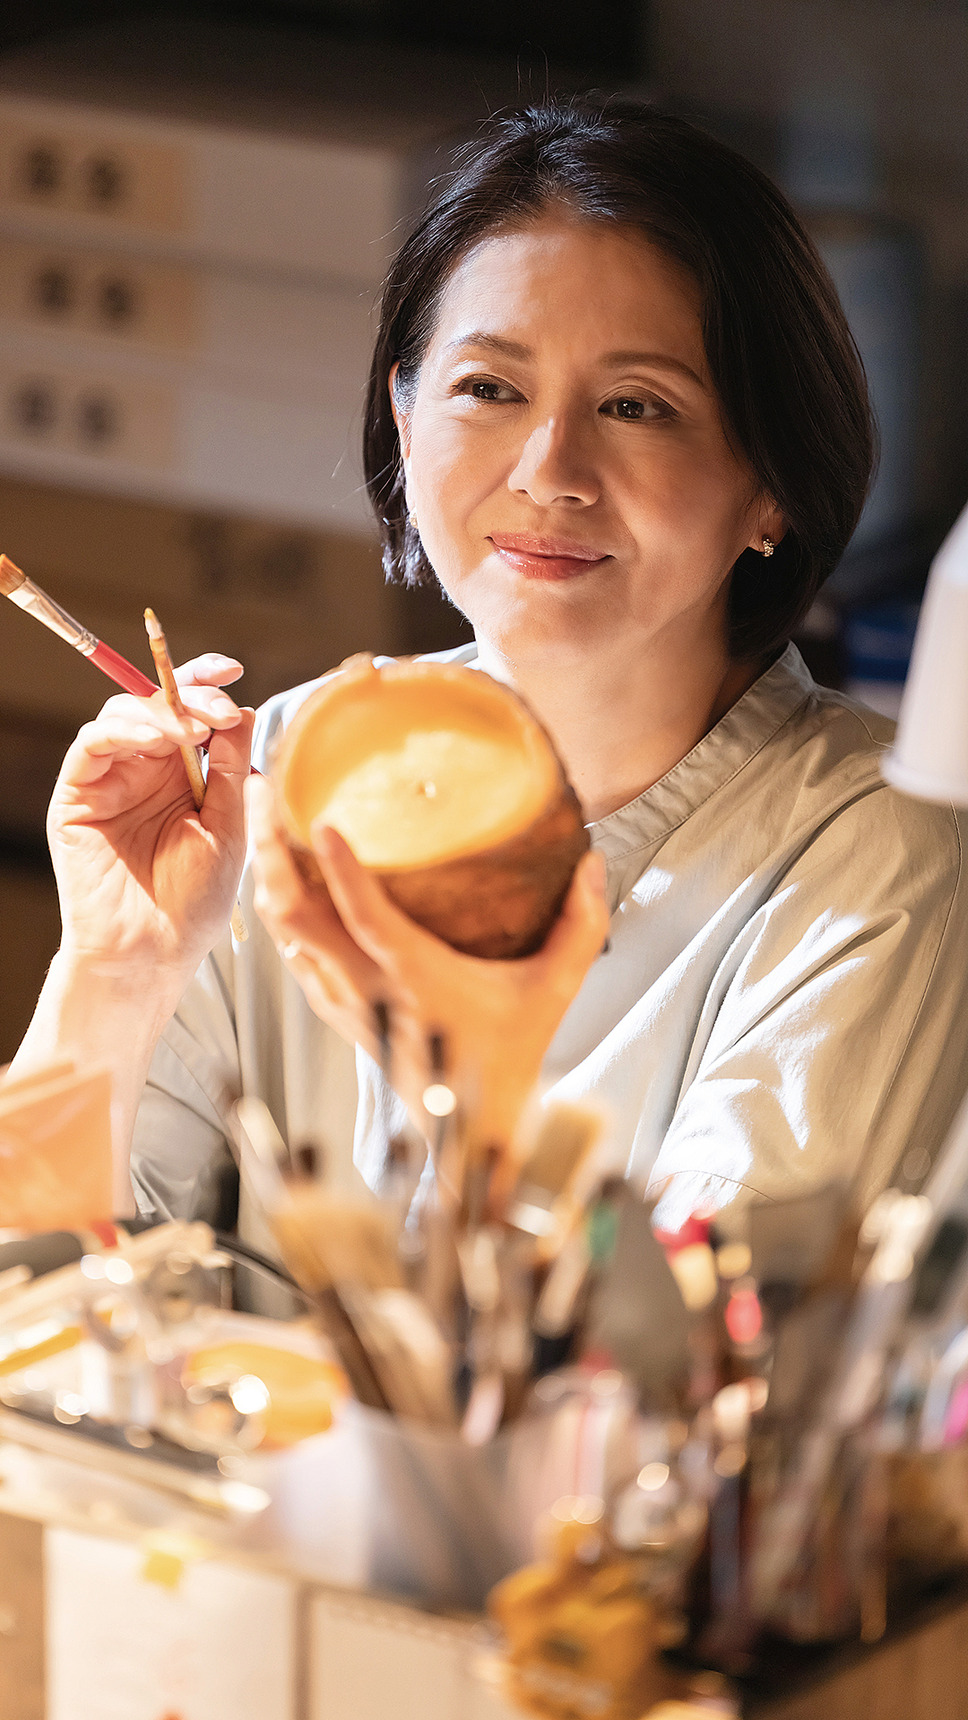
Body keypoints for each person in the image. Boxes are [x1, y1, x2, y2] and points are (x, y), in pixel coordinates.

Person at [9, 101, 968, 1237]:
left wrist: (476, 1076)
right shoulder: (280, 776)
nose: (549, 467)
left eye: (635, 405)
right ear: (403, 418)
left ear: (770, 482)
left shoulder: (875, 857)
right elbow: (37, 1308)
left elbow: (672, 1385)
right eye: (489, 389)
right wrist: (115, 973)